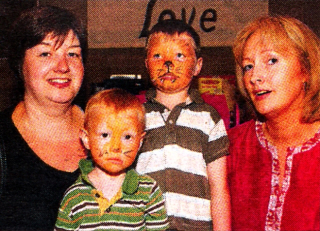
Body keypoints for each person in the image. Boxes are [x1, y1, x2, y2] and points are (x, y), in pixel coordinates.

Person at [135, 19, 231, 231]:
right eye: (158, 55)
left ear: (197, 66)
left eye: (179, 55)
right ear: (146, 64)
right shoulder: (134, 116)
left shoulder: (209, 118)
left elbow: (219, 189)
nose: (168, 63)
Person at [228, 15, 320, 230]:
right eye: (248, 66)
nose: (255, 77)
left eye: (272, 60)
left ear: (305, 70)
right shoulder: (230, 147)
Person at [0, 6, 87, 230]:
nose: (63, 66)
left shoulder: (114, 128)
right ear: (20, 64)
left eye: (73, 53)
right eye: (45, 53)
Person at [55, 88, 169, 230]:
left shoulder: (148, 192)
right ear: (86, 139)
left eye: (127, 137)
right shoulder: (74, 197)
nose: (116, 147)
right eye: (105, 135)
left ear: (139, 142)